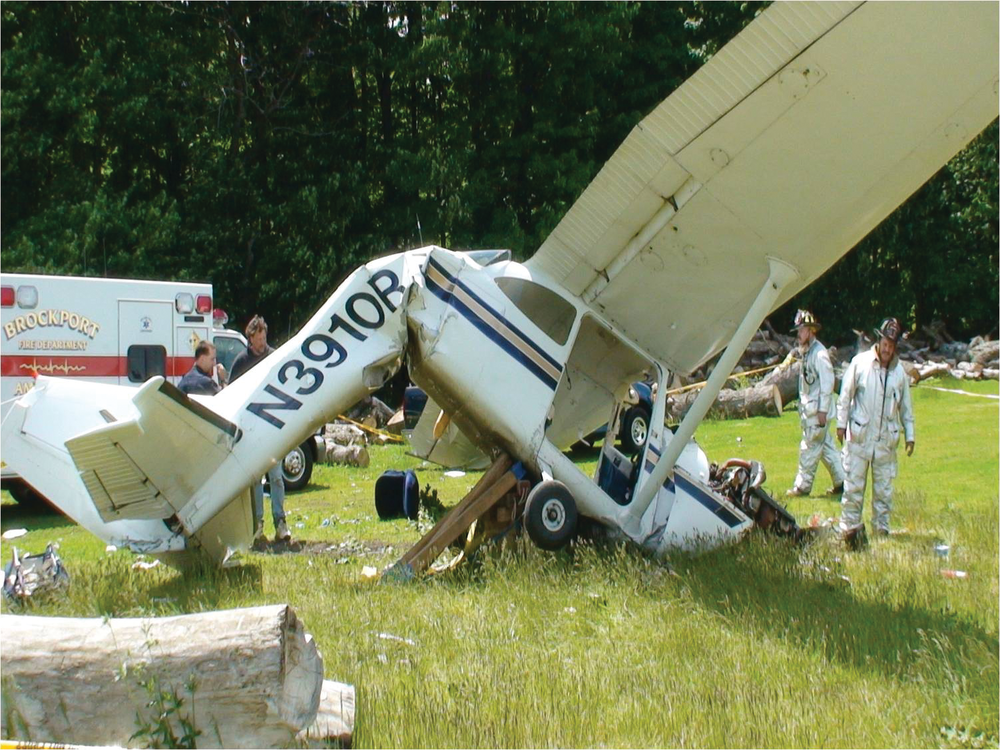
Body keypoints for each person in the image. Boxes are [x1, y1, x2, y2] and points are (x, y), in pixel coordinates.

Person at [836, 317, 915, 538]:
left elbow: (906, 408)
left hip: (885, 441)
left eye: (892, 345)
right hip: (860, 437)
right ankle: (849, 527)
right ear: (879, 341)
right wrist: (841, 425)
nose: (888, 349)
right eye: (885, 344)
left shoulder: (900, 373)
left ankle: (881, 529)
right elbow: (845, 396)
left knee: (883, 490)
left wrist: (910, 435)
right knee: (853, 487)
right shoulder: (860, 363)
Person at [230, 315, 289, 543]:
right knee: (255, 480)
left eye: (264, 337)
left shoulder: (274, 357)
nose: (263, 342)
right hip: (251, 429)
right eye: (259, 338)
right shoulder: (241, 362)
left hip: (273, 425)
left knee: (276, 477)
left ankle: (281, 523)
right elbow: (232, 392)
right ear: (250, 338)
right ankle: (257, 526)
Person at [786, 310, 845, 498]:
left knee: (809, 448)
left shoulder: (820, 355)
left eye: (801, 330)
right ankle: (843, 481)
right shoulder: (807, 353)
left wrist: (822, 411)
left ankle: (802, 487)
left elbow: (828, 385)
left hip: (817, 413)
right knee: (827, 449)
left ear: (811, 331)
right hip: (810, 412)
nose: (798, 334)